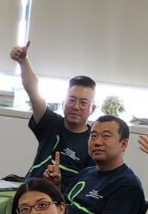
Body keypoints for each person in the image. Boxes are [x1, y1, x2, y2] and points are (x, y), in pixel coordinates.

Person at [60, 115, 146, 214]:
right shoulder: (85, 173)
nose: (97, 142)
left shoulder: (127, 185)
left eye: (106, 136)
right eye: (93, 136)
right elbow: (61, 209)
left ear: (123, 144)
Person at [12, 45, 93, 184]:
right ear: (63, 103)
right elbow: (33, 90)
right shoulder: (51, 123)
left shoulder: (94, 142)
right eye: (71, 100)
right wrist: (23, 62)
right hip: (30, 192)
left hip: (62, 202)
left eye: (84, 103)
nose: (76, 107)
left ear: (93, 108)